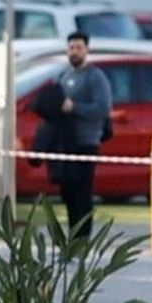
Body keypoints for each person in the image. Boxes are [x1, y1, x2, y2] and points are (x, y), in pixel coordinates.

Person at [43, 31, 111, 238]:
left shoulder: (95, 77)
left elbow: (102, 108)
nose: (75, 52)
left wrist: (74, 107)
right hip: (65, 143)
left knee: (82, 193)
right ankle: (71, 237)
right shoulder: (64, 75)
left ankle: (82, 239)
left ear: (87, 50)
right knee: (69, 193)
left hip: (86, 143)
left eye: (79, 48)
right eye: (71, 48)